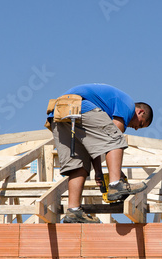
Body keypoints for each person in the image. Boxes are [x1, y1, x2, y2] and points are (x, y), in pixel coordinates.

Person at [47, 83, 153, 223]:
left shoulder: (106, 109)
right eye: (140, 124)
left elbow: (96, 146)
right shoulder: (128, 105)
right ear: (140, 112)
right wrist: (117, 175)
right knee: (116, 137)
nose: (136, 128)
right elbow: (113, 137)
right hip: (79, 106)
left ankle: (73, 211)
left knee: (79, 165)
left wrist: (98, 172)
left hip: (59, 114)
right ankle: (116, 185)